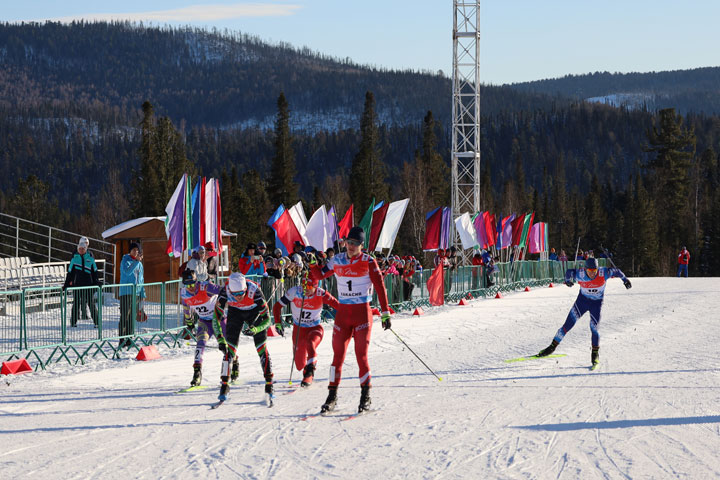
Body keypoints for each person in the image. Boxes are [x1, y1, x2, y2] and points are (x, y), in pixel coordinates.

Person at [310, 226, 391, 413]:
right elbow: (319, 275)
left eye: (355, 244)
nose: (351, 246)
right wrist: (313, 264)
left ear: (361, 245)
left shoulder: (368, 261)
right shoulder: (336, 259)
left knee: (361, 355)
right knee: (337, 357)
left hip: (362, 312)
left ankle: (365, 396)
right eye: (348, 242)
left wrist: (386, 313)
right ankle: (331, 396)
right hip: (343, 315)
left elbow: (380, 287)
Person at [536, 257, 632, 367]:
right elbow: (569, 272)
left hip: (596, 304)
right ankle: (552, 347)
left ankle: (595, 354)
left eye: (594, 271)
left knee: (594, 328)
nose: (592, 274)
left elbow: (618, 271)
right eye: (590, 271)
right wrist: (567, 280)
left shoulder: (603, 273)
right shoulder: (580, 274)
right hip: (582, 302)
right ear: (585, 269)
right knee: (567, 325)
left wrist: (625, 280)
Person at [214, 272, 276, 403]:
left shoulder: (255, 291)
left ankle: (269, 383)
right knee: (229, 350)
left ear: (246, 289)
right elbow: (216, 318)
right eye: (234, 294)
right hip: (235, 313)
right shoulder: (225, 292)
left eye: (241, 293)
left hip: (254, 313)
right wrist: (220, 339)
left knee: (261, 348)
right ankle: (224, 385)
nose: (238, 297)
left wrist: (256, 329)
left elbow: (267, 320)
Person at [272, 275, 339, 387]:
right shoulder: (294, 292)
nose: (306, 289)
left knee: (311, 344)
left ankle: (310, 372)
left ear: (315, 286)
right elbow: (277, 306)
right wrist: (278, 323)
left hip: (315, 328)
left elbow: (338, 305)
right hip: (299, 330)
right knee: (299, 364)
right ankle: (306, 368)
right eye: (303, 285)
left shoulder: (321, 293)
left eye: (309, 286)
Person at [180, 269, 227, 387]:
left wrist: (221, 303)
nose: (190, 287)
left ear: (197, 281)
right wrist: (189, 322)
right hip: (204, 322)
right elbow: (186, 308)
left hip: (219, 320)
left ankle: (234, 363)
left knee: (226, 345)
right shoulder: (184, 293)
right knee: (200, 344)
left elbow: (223, 291)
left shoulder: (206, 287)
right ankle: (197, 373)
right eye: (187, 285)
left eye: (192, 284)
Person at [63, 236, 101, 327]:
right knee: (76, 303)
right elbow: (70, 273)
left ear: (86, 249)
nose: (81, 250)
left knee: (91, 304)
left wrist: (96, 282)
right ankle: (73, 322)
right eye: (79, 249)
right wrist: (66, 284)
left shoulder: (90, 258)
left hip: (89, 285)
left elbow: (95, 272)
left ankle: (97, 322)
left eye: (83, 248)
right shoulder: (74, 259)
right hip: (78, 285)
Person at [119, 242, 146, 348]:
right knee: (124, 316)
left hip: (136, 293)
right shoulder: (125, 260)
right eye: (134, 250)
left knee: (132, 317)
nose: (136, 252)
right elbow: (127, 272)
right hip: (126, 292)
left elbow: (141, 279)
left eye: (137, 250)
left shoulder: (140, 264)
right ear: (130, 251)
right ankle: (122, 338)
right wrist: (136, 261)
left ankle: (129, 338)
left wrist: (142, 293)